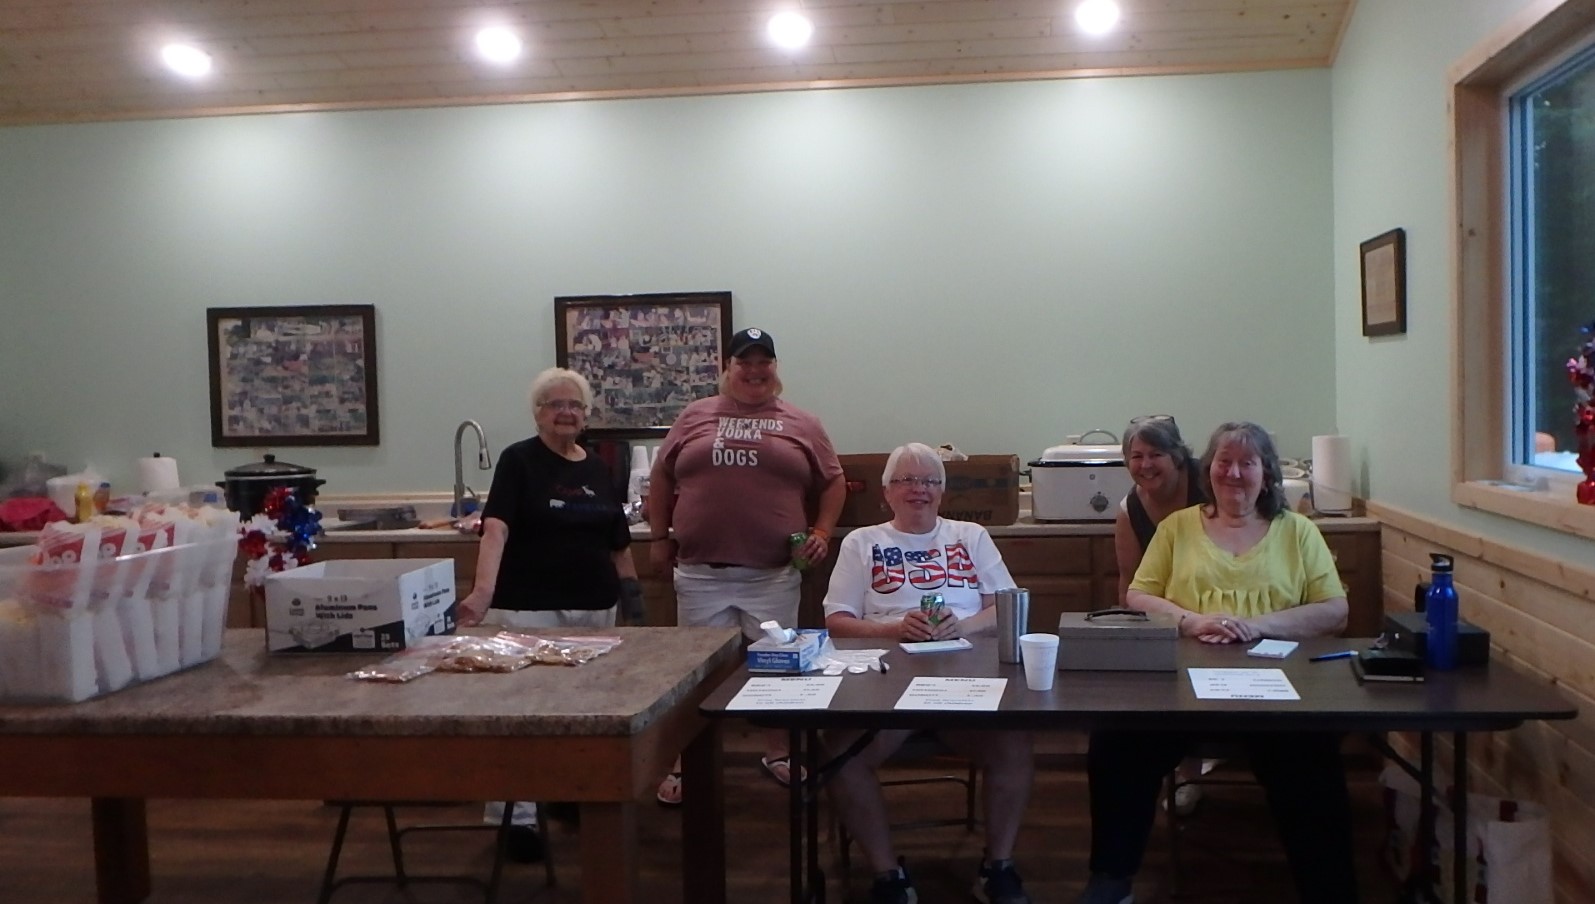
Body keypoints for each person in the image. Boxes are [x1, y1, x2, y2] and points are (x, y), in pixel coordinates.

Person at [1079, 422, 1355, 904]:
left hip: (1278, 695)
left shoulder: (1299, 532)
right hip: (1182, 691)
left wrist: (1259, 626)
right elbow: (1138, 596)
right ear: (1208, 472)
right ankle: (1111, 879)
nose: (1234, 473)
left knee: (1313, 762)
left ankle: (1329, 891)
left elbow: (1335, 611)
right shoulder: (1177, 528)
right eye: (1223, 462)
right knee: (1115, 747)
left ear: (1266, 474)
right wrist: (1191, 621)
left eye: (1247, 463)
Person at [823, 443, 1035, 904]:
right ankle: (887, 874)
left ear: (943, 491)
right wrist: (893, 628)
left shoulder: (971, 535)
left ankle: (997, 866)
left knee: (1014, 747)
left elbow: (1005, 605)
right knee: (841, 754)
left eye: (929, 481)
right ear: (886, 492)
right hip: (886, 682)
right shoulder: (863, 542)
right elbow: (836, 621)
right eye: (906, 480)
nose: (918, 489)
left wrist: (961, 624)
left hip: (965, 679)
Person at [648, 327, 845, 805]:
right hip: (700, 574)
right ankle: (687, 760)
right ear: (728, 368)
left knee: (778, 671)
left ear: (775, 368)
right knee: (692, 674)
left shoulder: (801, 422)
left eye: (764, 361)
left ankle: (776, 751)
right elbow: (662, 473)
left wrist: (821, 533)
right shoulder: (695, 416)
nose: (755, 370)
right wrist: (658, 537)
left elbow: (834, 482)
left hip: (773, 576)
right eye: (745, 362)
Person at [456, 366, 643, 862]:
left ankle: (570, 794)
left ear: (586, 414)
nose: (566, 412)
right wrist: (481, 594)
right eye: (554, 404)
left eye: (575, 405)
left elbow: (617, 542)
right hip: (527, 610)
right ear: (537, 412)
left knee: (586, 712)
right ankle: (514, 818)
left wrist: (634, 601)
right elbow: (495, 530)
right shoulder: (519, 461)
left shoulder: (597, 467)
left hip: (595, 612)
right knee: (520, 716)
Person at [1111, 414, 1210, 816]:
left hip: (1213, 601)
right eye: (1136, 456)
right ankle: (1179, 774)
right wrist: (1130, 633)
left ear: (1179, 458)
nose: (1145, 464)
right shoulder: (1130, 507)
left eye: (1156, 454)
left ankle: (1194, 773)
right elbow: (1129, 579)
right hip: (1160, 609)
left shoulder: (1208, 490)